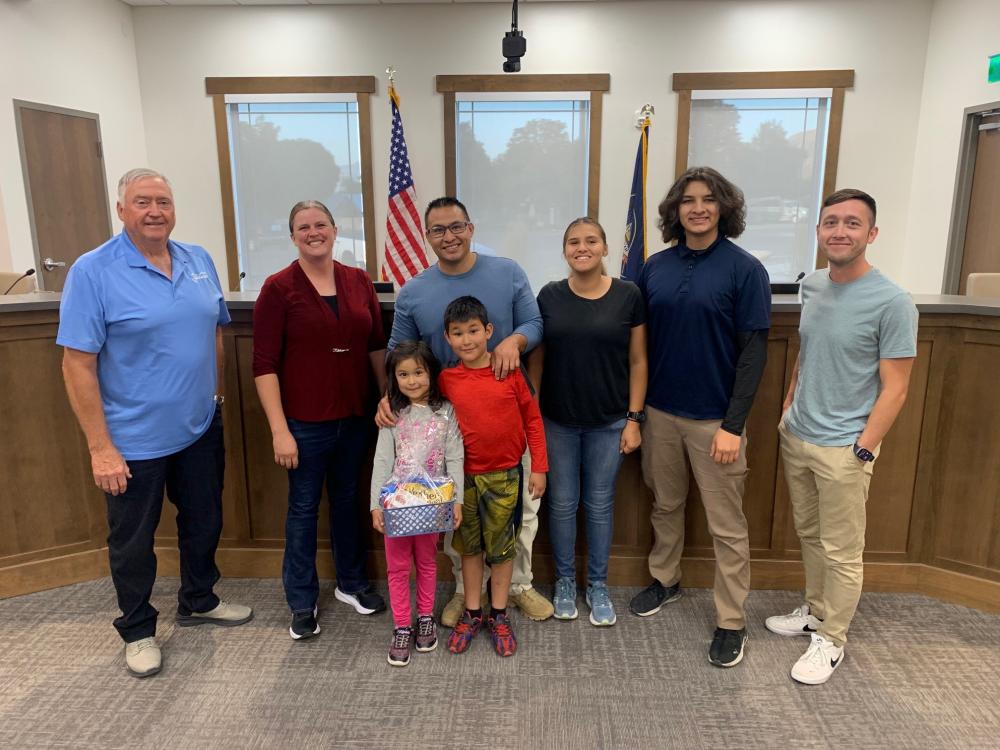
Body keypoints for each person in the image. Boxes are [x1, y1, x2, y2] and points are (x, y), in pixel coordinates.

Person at [58, 168, 252, 679]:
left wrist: (215, 396)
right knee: (133, 540)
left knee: (204, 520)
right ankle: (138, 629)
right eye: (142, 201)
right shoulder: (92, 271)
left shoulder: (197, 259)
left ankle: (199, 599)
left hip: (199, 426)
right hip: (132, 439)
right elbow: (76, 364)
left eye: (163, 201)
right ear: (121, 209)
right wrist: (100, 447)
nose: (154, 211)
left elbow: (214, 329)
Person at [768, 189, 917, 685]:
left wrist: (864, 447)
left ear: (871, 233)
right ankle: (815, 611)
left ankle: (832, 638)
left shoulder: (893, 302)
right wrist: (789, 403)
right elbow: (808, 351)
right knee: (810, 536)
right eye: (831, 222)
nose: (840, 231)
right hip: (799, 435)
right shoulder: (812, 286)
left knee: (842, 551)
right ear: (818, 231)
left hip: (844, 448)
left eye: (852, 223)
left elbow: (897, 388)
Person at [380, 197, 553, 624]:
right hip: (446, 426)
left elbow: (535, 324)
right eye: (438, 230)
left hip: (505, 420)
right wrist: (389, 397)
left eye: (456, 226)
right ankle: (465, 591)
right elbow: (397, 352)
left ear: (471, 228)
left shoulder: (508, 272)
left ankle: (518, 585)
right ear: (426, 236)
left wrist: (514, 342)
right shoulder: (414, 291)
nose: (449, 236)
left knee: (519, 512)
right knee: (456, 511)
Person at [629, 166, 771, 668]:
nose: (698, 208)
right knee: (665, 505)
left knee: (726, 525)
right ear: (675, 210)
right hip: (660, 413)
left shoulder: (745, 269)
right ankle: (665, 580)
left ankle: (731, 620)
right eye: (688, 200)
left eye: (708, 199)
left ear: (723, 207)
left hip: (716, 421)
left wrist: (733, 425)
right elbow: (637, 342)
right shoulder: (655, 267)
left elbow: (753, 355)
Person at [253, 200, 387, 641]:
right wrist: (279, 431)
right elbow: (264, 365)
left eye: (321, 224)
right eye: (303, 227)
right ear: (293, 236)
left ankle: (352, 583)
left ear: (334, 229)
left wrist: (386, 396)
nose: (314, 232)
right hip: (304, 423)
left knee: (348, 501)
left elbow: (375, 345)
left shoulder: (358, 281)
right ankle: (301, 600)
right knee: (303, 509)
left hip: (355, 416)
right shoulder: (278, 288)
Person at [526, 217, 647, 626]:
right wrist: (533, 414)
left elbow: (638, 361)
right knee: (561, 504)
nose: (583, 247)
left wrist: (634, 419)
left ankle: (597, 584)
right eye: (574, 242)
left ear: (605, 248)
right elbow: (537, 360)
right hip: (557, 420)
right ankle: (564, 581)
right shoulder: (550, 295)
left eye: (591, 240)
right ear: (564, 251)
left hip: (610, 422)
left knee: (599, 505)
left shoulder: (629, 295)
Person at [438, 297, 548, 657]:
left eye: (473, 331)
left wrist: (540, 467)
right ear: (447, 337)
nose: (466, 340)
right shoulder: (446, 380)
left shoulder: (510, 372)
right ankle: (473, 611)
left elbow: (533, 420)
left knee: (501, 551)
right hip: (463, 480)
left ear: (488, 331)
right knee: (469, 548)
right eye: (458, 333)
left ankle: (499, 614)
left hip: (505, 478)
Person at [370, 341, 464, 667]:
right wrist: (376, 505)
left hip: (432, 502)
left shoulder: (445, 412)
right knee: (397, 567)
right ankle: (401, 626)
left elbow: (455, 457)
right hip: (397, 504)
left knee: (426, 561)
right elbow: (382, 460)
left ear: (431, 373)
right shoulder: (392, 414)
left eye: (419, 372)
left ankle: (425, 617)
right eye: (403, 374)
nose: (412, 381)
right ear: (393, 378)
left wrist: (457, 500)